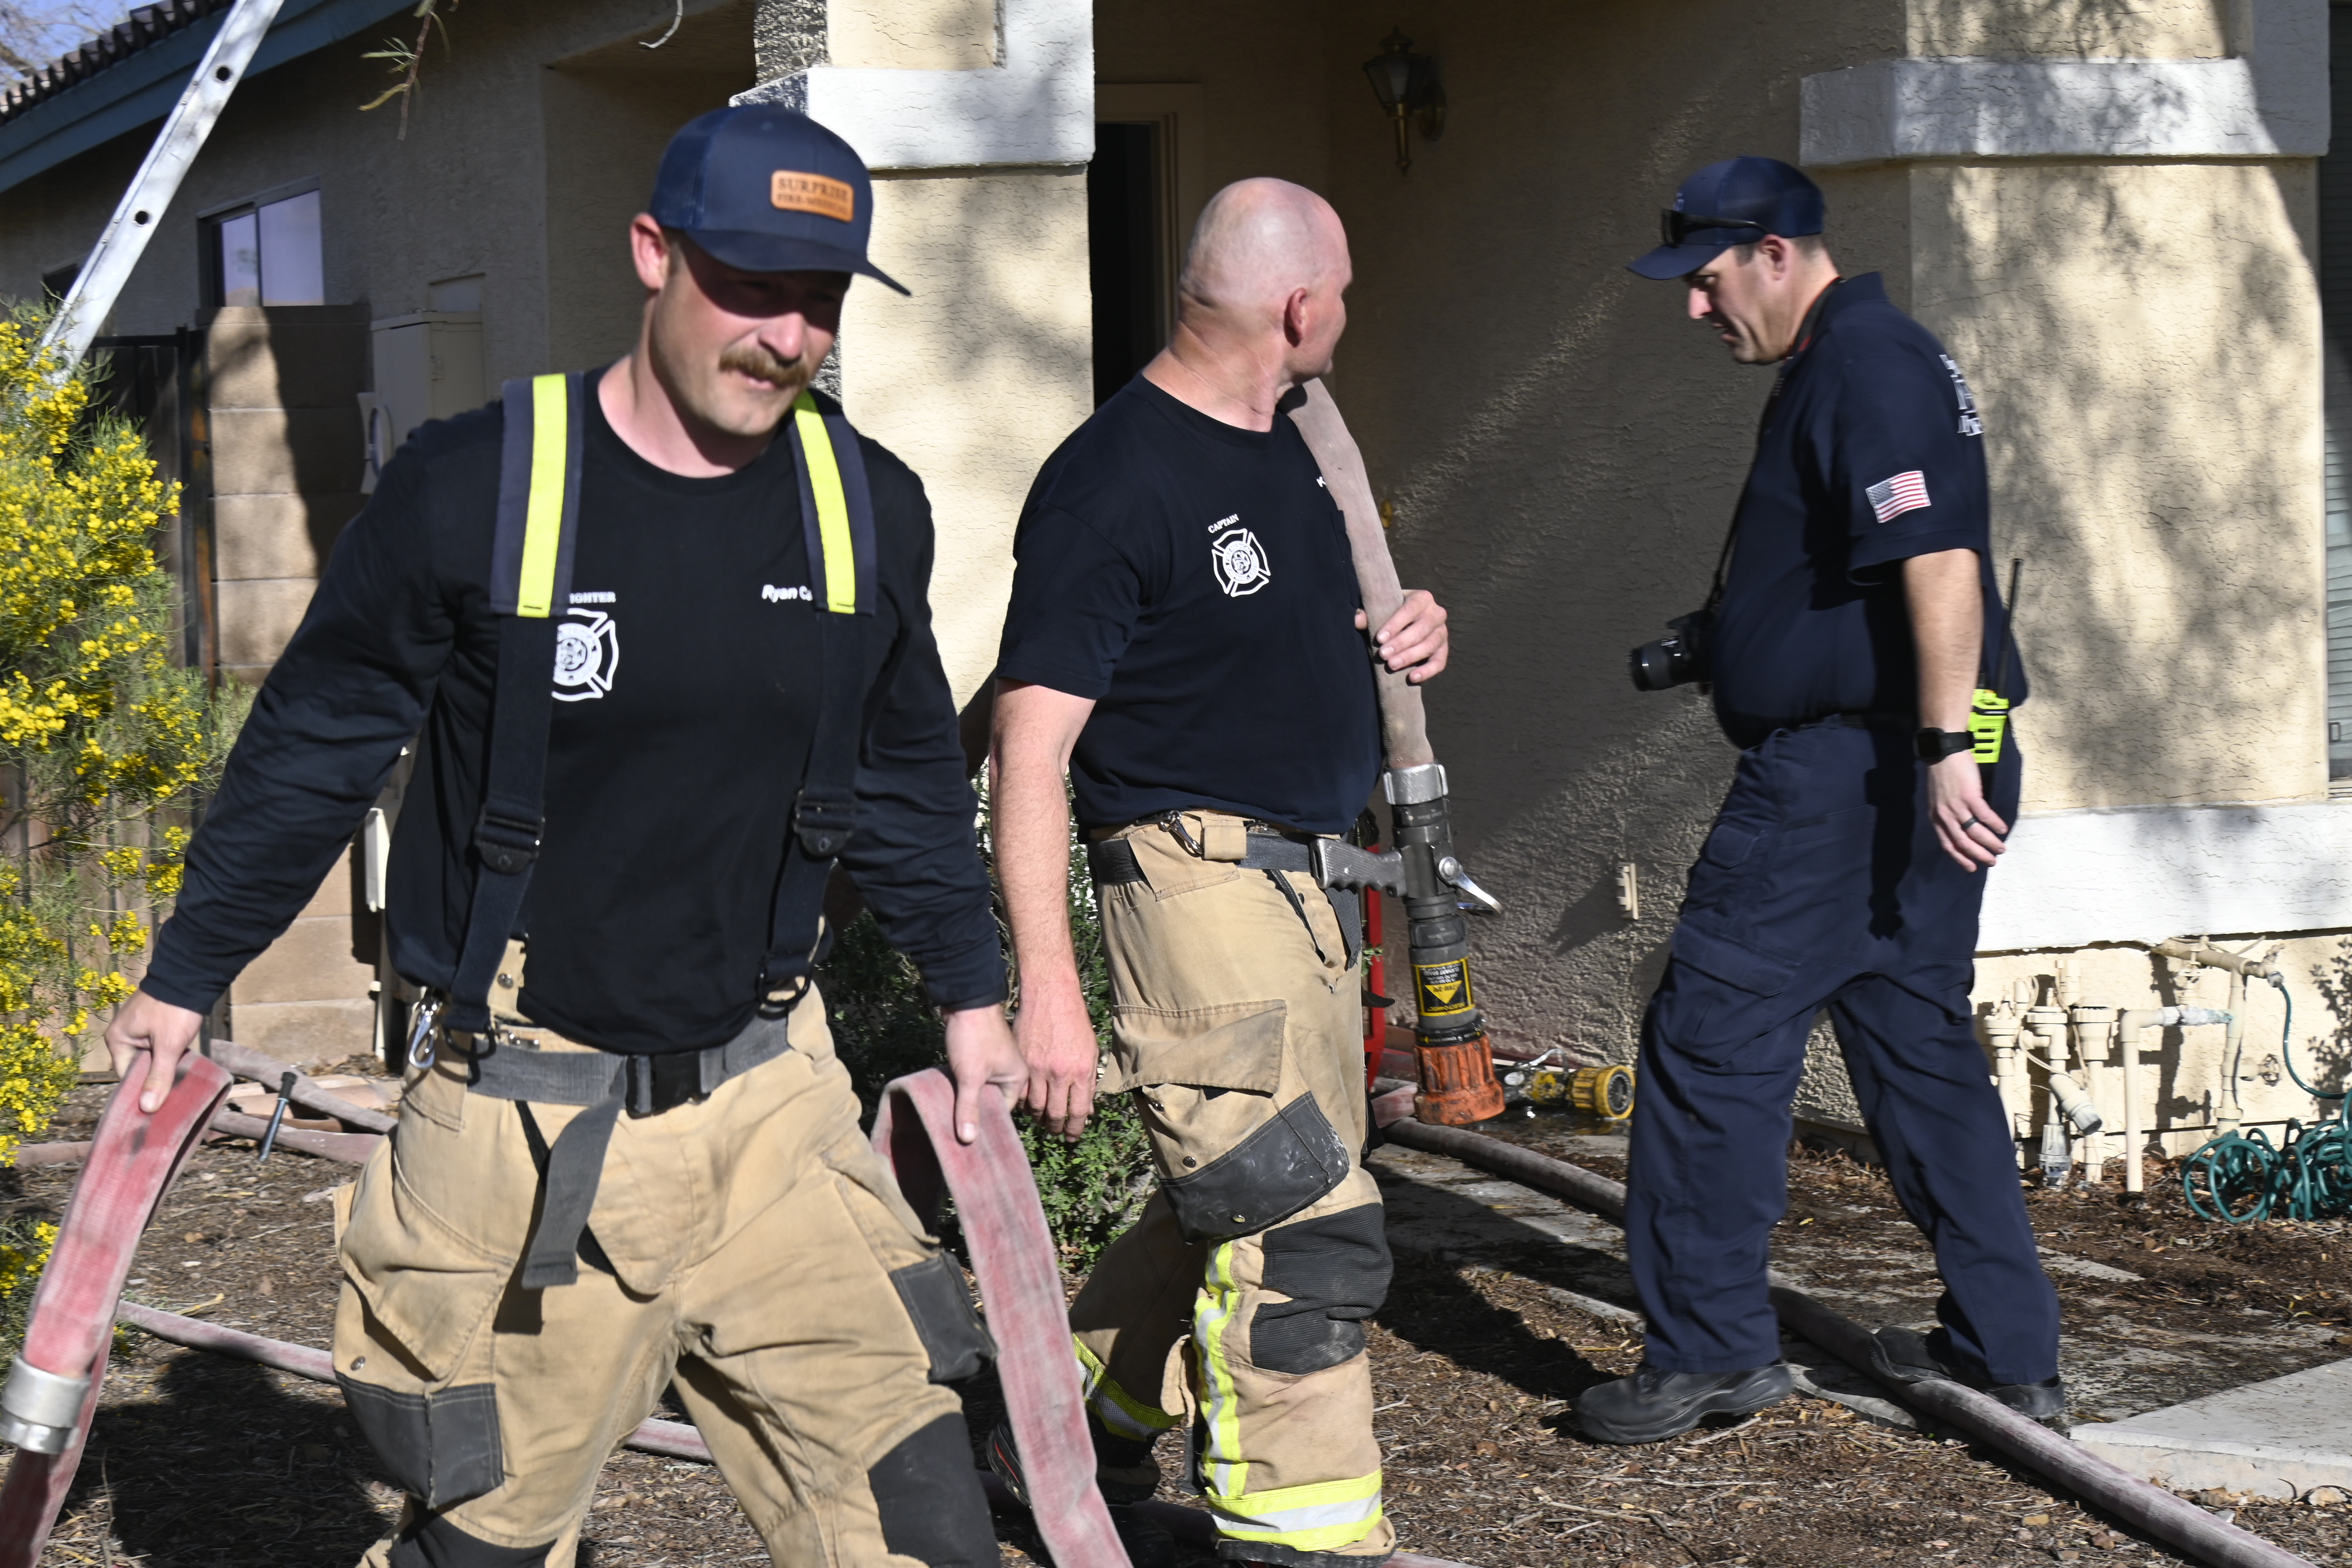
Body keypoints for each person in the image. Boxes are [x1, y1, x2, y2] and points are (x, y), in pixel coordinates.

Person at [104, 106, 1026, 1567]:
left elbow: (906, 776)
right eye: (751, 287)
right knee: (487, 1543)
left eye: (820, 300)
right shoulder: (478, 489)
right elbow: (315, 748)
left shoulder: (866, 509)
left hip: (775, 1107)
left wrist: (973, 996)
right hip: (531, 1120)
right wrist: (184, 976)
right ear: (654, 253)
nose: (787, 336)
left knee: (922, 1522)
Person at [986, 178, 1450, 1567]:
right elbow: (1027, 752)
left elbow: (1271, 646)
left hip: (1305, 892)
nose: (1347, 319)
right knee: (1302, 1234)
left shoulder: (1295, 447)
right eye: (1344, 295)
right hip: (1195, 890)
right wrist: (1049, 992)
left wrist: (1405, 630)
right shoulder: (1115, 481)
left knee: (1240, 1197)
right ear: (1299, 307)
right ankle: (1302, 1540)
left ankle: (1058, 1425)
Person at [1573, 157, 2063, 1446]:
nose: (1696, 309)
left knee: (1711, 1039)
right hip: (1900, 765)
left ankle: (1709, 1354)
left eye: (1708, 280)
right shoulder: (1860, 360)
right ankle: (2008, 1358)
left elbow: (1938, 559)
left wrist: (1943, 747)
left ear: (1777, 252)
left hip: (1858, 775)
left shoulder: (1868, 365)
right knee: (1915, 1045)